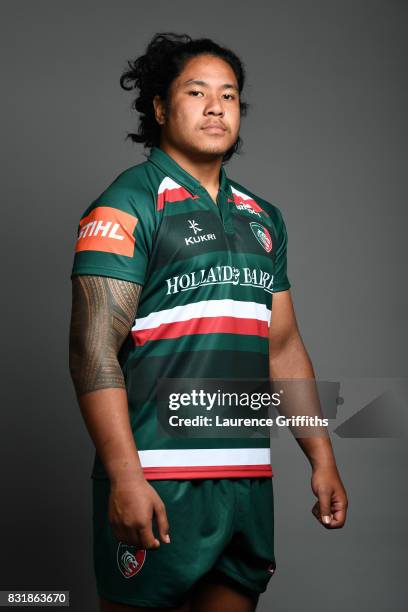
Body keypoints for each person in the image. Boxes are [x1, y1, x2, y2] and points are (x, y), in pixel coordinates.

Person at [69, 32, 348, 612]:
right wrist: (125, 478)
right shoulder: (127, 204)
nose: (217, 105)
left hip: (245, 484)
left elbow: (285, 350)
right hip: (158, 480)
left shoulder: (262, 216)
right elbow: (92, 351)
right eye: (197, 92)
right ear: (161, 107)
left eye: (230, 94)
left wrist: (321, 456)